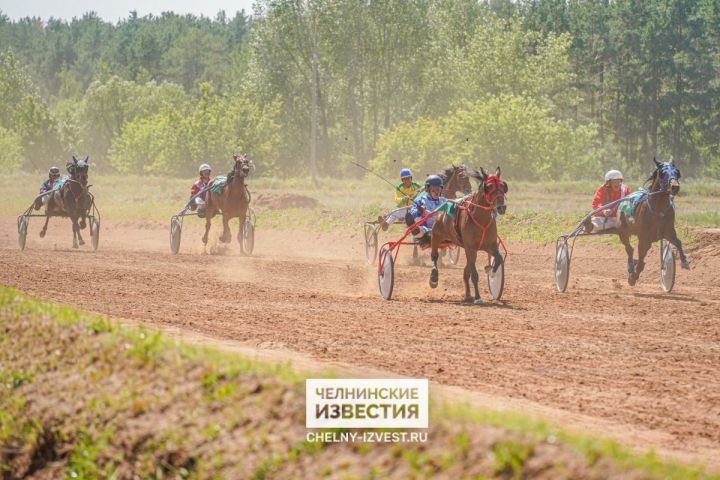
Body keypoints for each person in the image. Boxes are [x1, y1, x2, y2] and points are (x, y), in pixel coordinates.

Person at [405, 174, 447, 244]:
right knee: (422, 230)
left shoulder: (444, 201)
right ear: (428, 189)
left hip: (442, 228)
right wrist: (418, 211)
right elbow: (412, 213)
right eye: (433, 190)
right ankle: (415, 229)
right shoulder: (420, 201)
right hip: (426, 229)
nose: (437, 192)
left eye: (438, 189)